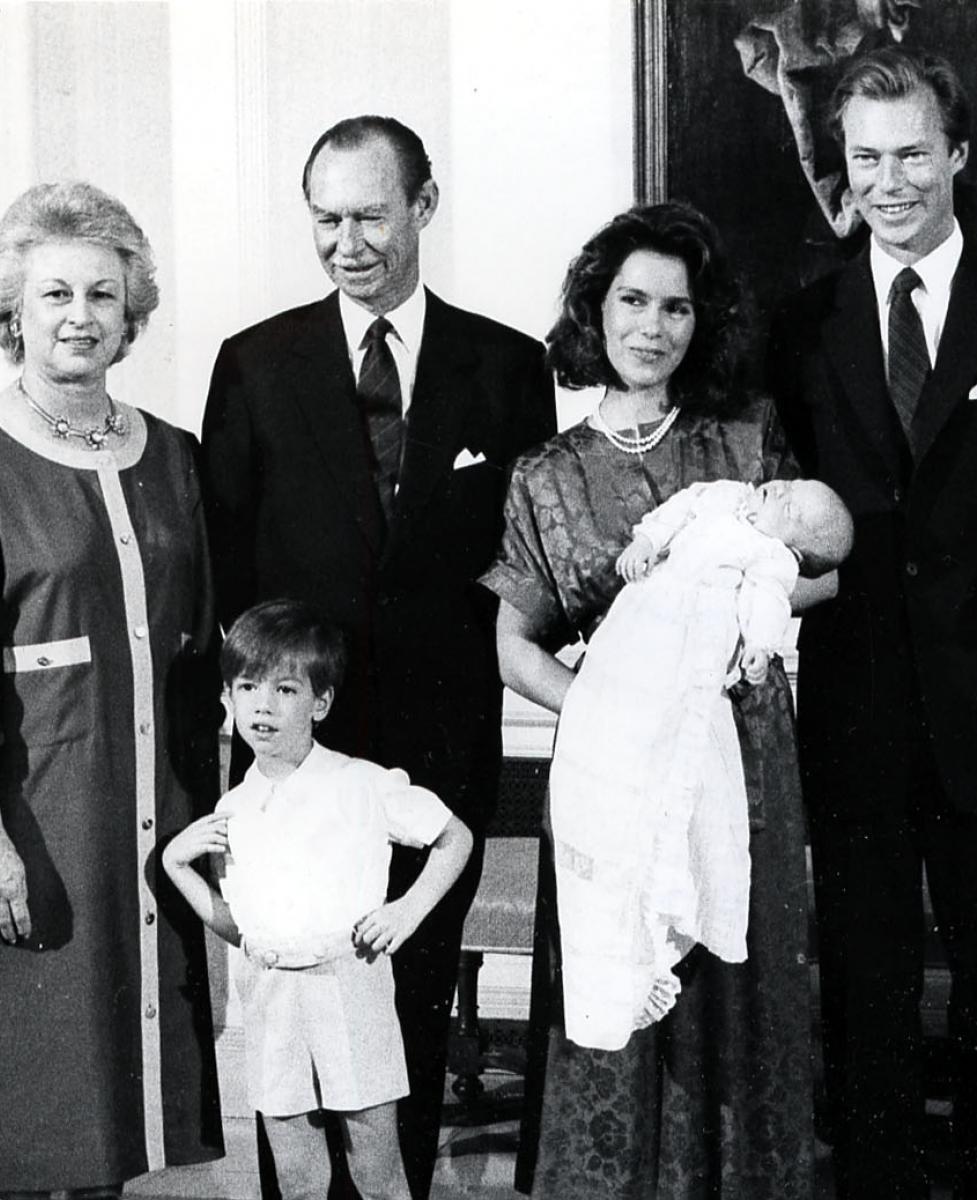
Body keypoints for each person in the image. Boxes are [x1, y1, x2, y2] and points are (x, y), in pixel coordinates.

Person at [198, 115, 554, 1199]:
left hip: (440, 742)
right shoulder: (255, 365)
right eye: (324, 218)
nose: (346, 242)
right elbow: (225, 575)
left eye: (369, 216)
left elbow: (523, 561)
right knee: (293, 1021)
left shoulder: (507, 366)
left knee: (409, 1003)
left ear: (425, 206)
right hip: (297, 758)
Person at [765, 46, 977, 1200]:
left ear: (956, 153)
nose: (890, 181)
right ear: (841, 167)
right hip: (853, 708)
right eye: (866, 159)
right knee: (866, 984)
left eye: (912, 154)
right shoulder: (798, 323)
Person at [485, 200, 821, 1199]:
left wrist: (721, 603)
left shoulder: (745, 437)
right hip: (614, 767)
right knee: (616, 974)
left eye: (676, 308)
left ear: (700, 322)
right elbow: (512, 644)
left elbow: (823, 571)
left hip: (739, 745)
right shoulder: (546, 474)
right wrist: (602, 706)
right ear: (596, 310)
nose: (652, 327)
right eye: (632, 300)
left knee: (736, 973)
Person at [0, 181, 223, 1197]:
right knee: (34, 1098)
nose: (79, 315)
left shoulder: (173, 455)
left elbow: (202, 651)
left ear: (133, 312)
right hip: (38, 817)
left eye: (102, 292)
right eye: (53, 293)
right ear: (15, 309)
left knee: (118, 1116)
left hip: (155, 814)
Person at [162, 599, 472, 1200]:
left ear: (320, 703)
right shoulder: (233, 810)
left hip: (348, 986)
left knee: (377, 1175)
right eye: (247, 687)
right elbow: (244, 929)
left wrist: (406, 911)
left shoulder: (360, 782)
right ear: (227, 700)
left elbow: (454, 836)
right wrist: (178, 866)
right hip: (271, 997)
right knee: (300, 1180)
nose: (263, 705)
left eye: (285, 689)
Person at [553, 476, 852, 1052]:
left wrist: (762, 645)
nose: (776, 490)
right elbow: (677, 509)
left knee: (675, 767)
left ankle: (654, 938)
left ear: (796, 546)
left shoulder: (771, 559)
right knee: (614, 714)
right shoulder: (721, 496)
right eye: (785, 484)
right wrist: (646, 541)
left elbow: (764, 602)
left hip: (692, 641)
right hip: (644, 613)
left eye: (790, 506)